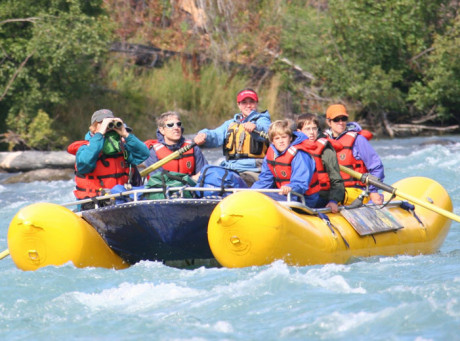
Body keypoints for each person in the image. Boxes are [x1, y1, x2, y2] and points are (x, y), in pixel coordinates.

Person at [67, 109, 149, 206]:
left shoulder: (122, 148)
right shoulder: (85, 148)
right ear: (93, 127)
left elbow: (143, 154)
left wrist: (125, 134)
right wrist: (100, 133)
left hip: (121, 200)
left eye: (110, 123)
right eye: (102, 123)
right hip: (94, 203)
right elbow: (85, 164)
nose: (107, 127)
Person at [193, 88, 271, 186]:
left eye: (251, 102)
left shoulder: (263, 120)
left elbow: (267, 130)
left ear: (257, 103)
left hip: (254, 170)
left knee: (228, 180)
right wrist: (204, 135)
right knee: (206, 175)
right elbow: (216, 135)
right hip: (230, 167)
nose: (248, 105)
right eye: (244, 102)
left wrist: (256, 127)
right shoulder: (230, 124)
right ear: (239, 105)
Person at [323, 104, 384, 205]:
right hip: (331, 190)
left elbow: (376, 167)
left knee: (334, 197)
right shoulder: (322, 141)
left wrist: (373, 191)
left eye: (343, 119)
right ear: (329, 122)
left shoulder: (358, 140)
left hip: (356, 190)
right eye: (336, 119)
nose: (341, 122)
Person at [252, 119, 320, 208]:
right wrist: (251, 193)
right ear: (272, 141)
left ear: (290, 138)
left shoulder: (299, 155)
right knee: (255, 197)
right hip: (284, 194)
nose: (281, 141)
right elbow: (265, 181)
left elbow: (301, 183)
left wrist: (290, 187)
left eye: (284, 137)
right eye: (277, 138)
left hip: (304, 198)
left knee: (267, 200)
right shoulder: (270, 155)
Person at [296, 113, 345, 213]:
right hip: (298, 195)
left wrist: (333, 200)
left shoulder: (326, 151)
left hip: (321, 196)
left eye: (314, 128)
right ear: (299, 131)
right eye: (307, 129)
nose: (311, 132)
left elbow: (336, 180)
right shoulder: (293, 149)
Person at [144, 111, 208, 176]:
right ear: (162, 130)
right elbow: (157, 181)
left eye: (178, 124)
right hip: (165, 185)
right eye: (170, 125)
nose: (176, 128)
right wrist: (190, 180)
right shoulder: (152, 153)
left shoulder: (193, 148)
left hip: (192, 185)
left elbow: (204, 174)